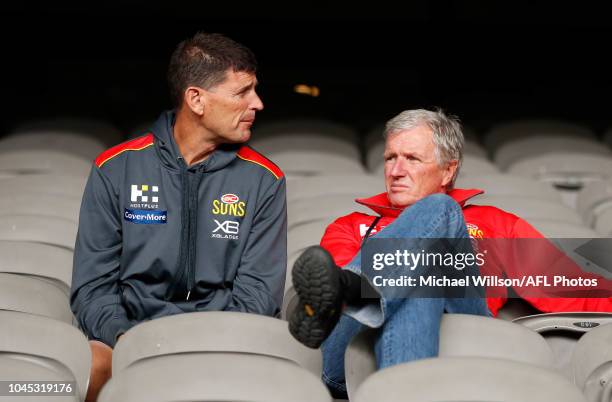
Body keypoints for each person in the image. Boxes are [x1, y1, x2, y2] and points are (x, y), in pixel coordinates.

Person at [288, 108, 612, 398]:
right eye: (390, 158)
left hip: (466, 346)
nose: (396, 171)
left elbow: (576, 291)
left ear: (447, 171)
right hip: (349, 360)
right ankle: (355, 291)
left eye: (412, 159)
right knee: (418, 267)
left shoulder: (496, 225)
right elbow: (325, 292)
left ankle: (355, 290)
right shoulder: (349, 226)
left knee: (435, 231)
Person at [71, 32, 287, 402]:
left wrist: (199, 344)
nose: (258, 103)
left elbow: (258, 296)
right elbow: (92, 288)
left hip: (222, 341)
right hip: (130, 337)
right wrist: (128, 338)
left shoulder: (265, 179)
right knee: (89, 364)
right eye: (242, 92)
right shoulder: (115, 168)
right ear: (196, 99)